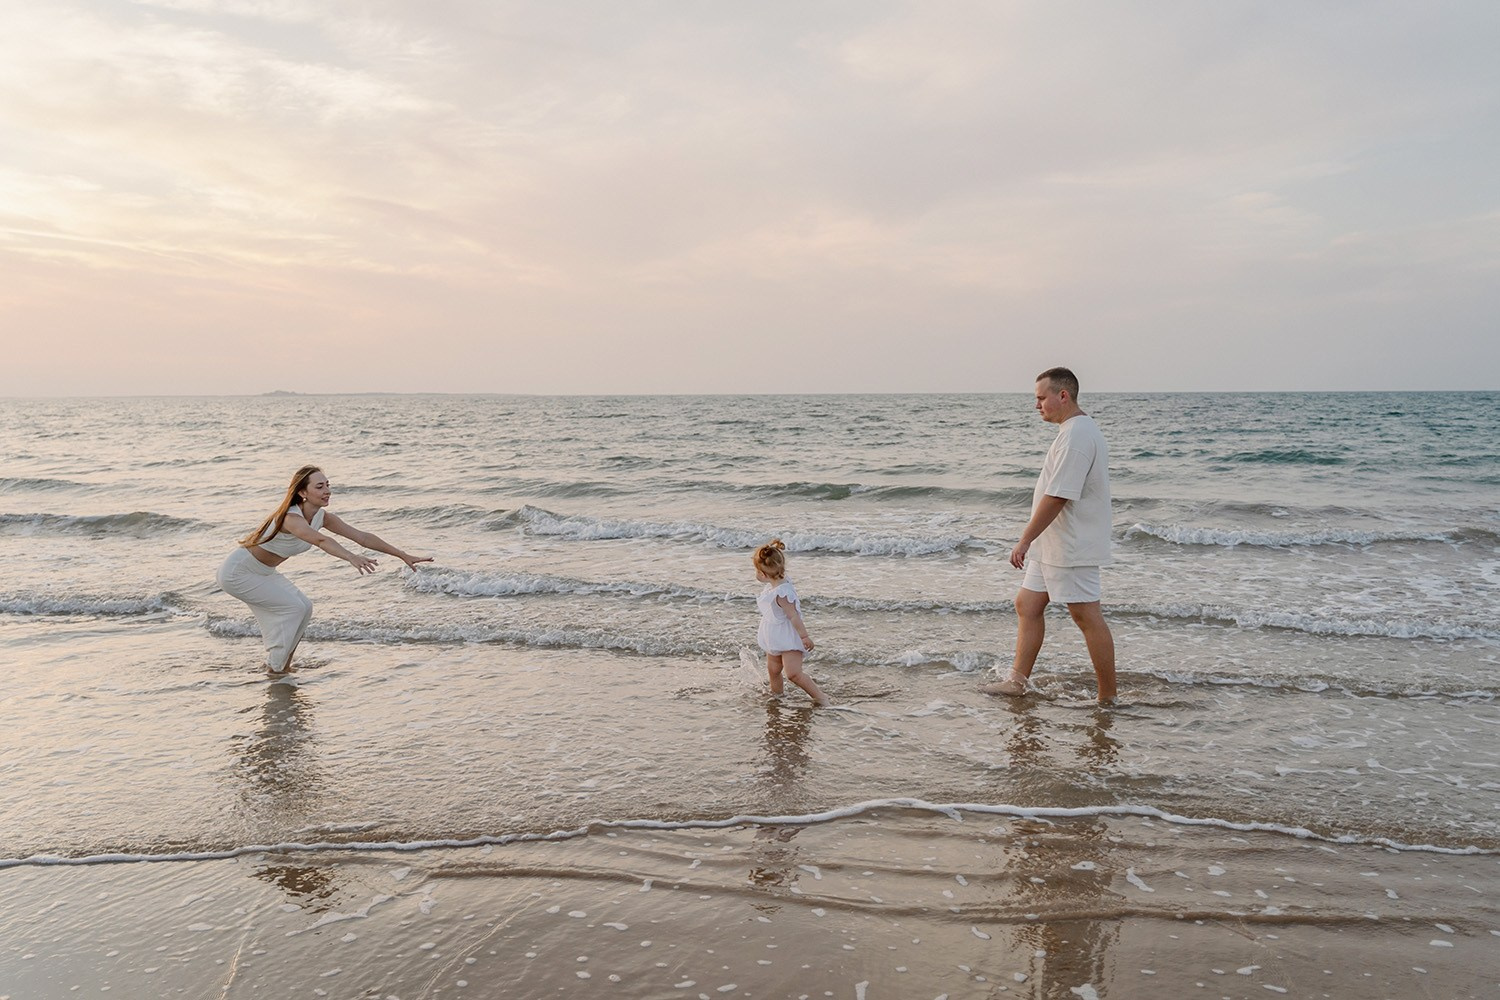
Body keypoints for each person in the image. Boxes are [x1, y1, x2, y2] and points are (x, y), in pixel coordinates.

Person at [982, 367, 1117, 704]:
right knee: (1027, 604)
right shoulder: (1072, 431)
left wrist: (1024, 539)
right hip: (1053, 543)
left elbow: (1058, 496)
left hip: (1072, 544)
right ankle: (1017, 682)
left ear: (1063, 395)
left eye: (1042, 398)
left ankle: (1108, 697)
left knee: (1086, 616)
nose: (1037, 405)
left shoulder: (1077, 436)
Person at [216, 465, 431, 673]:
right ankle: (275, 668)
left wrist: (402, 554)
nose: (327, 491)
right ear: (302, 492)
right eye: (319, 487)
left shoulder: (323, 517)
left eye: (328, 485)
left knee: (305, 608)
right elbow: (321, 540)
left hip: (264, 572)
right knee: (294, 608)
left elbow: (362, 537)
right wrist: (350, 557)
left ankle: (283, 665)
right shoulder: (291, 518)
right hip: (238, 572)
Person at [753, 540, 830, 706]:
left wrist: (804, 637)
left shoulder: (782, 593)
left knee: (793, 674)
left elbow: (794, 616)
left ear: (763, 575)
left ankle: (820, 697)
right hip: (774, 637)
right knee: (773, 670)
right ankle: (777, 697)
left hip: (789, 638)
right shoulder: (776, 584)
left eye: (757, 571)